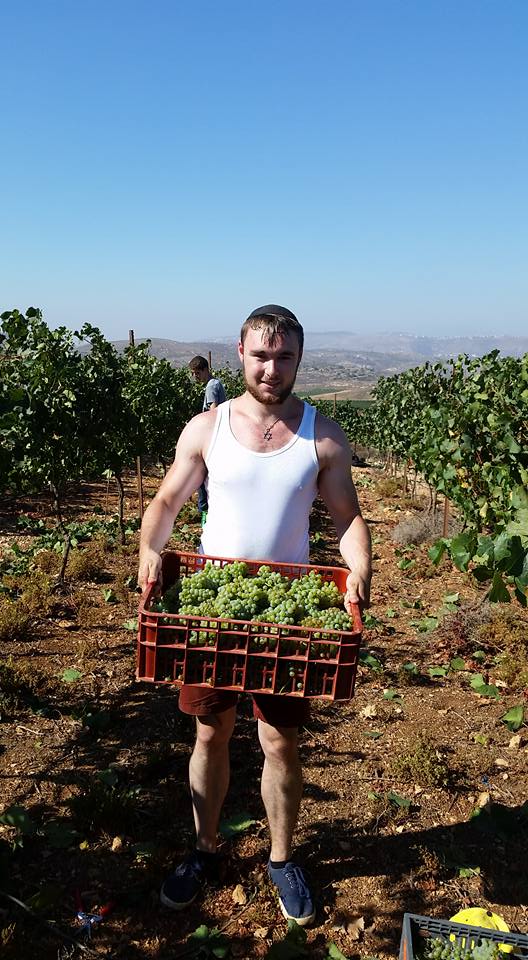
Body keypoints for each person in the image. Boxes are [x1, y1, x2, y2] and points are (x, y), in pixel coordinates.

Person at [138, 305, 371, 926]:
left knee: (279, 739)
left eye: (284, 356)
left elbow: (346, 518)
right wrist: (148, 548)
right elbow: (167, 500)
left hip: (286, 621)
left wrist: (361, 567)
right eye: (261, 356)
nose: (272, 368)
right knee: (210, 732)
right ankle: (204, 851)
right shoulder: (206, 428)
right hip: (212, 613)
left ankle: (281, 858)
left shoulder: (322, 437)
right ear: (240, 353)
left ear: (299, 358)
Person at [188, 356, 226, 523]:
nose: (195, 377)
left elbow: (213, 411)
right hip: (217, 435)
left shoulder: (211, 386)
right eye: (193, 374)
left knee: (202, 474)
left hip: (211, 436)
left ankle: (205, 512)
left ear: (205, 370)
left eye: (197, 373)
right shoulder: (216, 383)